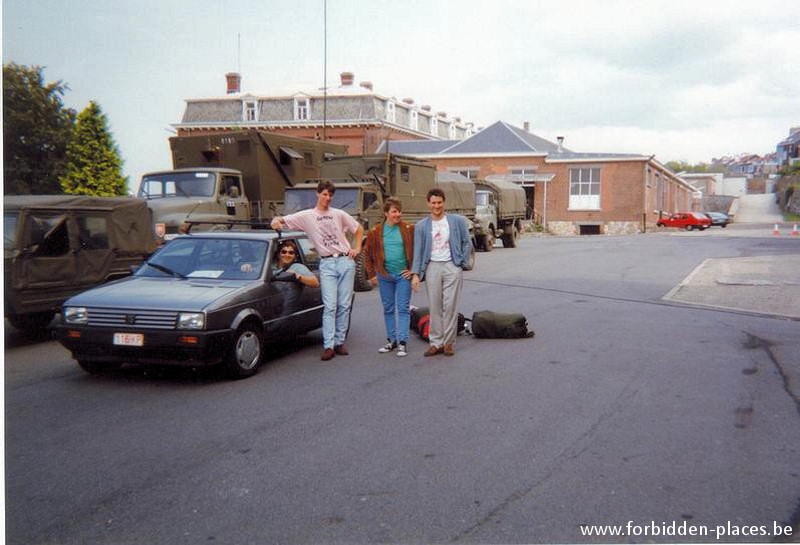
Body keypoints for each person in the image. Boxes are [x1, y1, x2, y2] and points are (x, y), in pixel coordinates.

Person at [271, 180, 363, 361]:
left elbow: (358, 229)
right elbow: (282, 220)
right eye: (324, 194)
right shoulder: (307, 216)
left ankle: (339, 342)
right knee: (330, 306)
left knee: (344, 305)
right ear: (318, 194)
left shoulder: (339, 214)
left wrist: (357, 248)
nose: (327, 198)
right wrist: (275, 221)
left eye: (330, 195)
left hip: (345, 260)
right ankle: (328, 345)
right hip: (327, 263)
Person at [411, 188, 472, 357]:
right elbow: (418, 251)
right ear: (428, 204)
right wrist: (415, 274)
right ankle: (435, 342)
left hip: (452, 266)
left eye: (439, 202)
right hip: (432, 266)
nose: (436, 206)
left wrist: (461, 263)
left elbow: (467, 242)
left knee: (450, 306)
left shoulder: (456, 221)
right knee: (435, 305)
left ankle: (448, 343)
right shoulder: (422, 226)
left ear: (444, 202)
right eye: (433, 203)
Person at [364, 197, 414, 357]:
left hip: (402, 276)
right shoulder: (375, 231)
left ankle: (403, 342)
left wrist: (413, 270)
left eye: (399, 211)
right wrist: (371, 274)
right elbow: (368, 254)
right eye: (394, 211)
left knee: (403, 308)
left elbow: (417, 250)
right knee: (388, 308)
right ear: (386, 213)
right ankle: (392, 340)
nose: (397, 214)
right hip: (384, 275)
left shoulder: (408, 228)